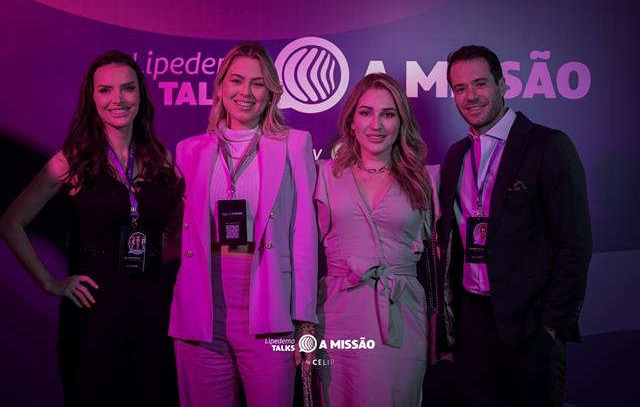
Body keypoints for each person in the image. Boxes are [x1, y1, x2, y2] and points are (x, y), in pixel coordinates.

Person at [0, 50, 182, 406]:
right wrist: (49, 282)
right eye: (105, 90)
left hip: (153, 309)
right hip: (94, 311)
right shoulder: (72, 159)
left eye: (128, 88)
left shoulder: (161, 159)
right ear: (92, 97)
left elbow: (177, 228)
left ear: (140, 95)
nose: (118, 99)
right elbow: (11, 222)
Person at [438, 45, 592, 406]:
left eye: (480, 83)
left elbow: (575, 243)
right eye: (460, 88)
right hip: (472, 323)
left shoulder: (547, 145)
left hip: (530, 324)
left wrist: (551, 323)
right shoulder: (456, 155)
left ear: (502, 84)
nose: (471, 96)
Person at [169, 42, 318, 407]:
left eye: (258, 83)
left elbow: (303, 234)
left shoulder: (295, 145)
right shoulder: (189, 150)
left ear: (271, 92)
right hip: (201, 315)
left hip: (269, 310)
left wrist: (305, 319)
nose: (246, 92)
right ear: (221, 87)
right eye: (236, 81)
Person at [314, 73, 444, 407]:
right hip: (337, 316)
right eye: (366, 112)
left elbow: (442, 257)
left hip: (401, 315)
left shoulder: (426, 178)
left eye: (388, 114)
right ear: (351, 120)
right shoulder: (324, 174)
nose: (377, 124)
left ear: (401, 122)